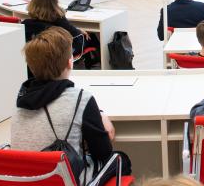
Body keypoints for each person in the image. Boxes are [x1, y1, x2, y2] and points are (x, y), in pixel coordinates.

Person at [11, 27, 130, 184]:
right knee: (121, 159)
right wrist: (101, 115)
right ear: (70, 62)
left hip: (25, 178)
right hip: (64, 179)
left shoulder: (21, 99)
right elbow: (103, 152)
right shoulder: (81, 98)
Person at [21, 0, 93, 59]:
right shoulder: (57, 16)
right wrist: (79, 31)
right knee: (91, 37)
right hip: (61, 50)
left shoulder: (33, 15)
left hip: (45, 49)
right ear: (51, 0)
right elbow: (74, 32)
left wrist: (77, 29)